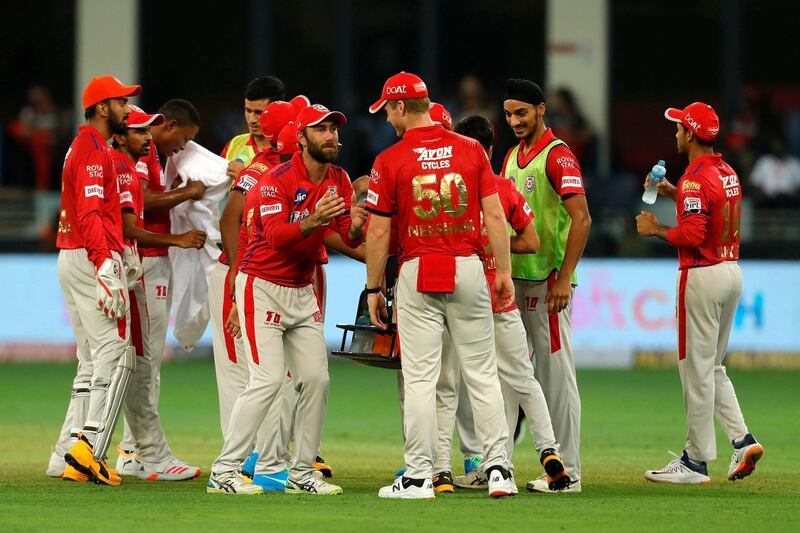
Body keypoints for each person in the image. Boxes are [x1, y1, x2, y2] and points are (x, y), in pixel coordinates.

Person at [365, 71, 516, 500]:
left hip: (419, 269)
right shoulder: (471, 150)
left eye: (388, 110)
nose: (388, 119)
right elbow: (495, 217)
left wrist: (374, 289)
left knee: (420, 379)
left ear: (399, 107)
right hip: (468, 267)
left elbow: (378, 233)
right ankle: (500, 470)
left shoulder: (390, 160)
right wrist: (502, 272)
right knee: (483, 374)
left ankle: (418, 477)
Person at [208, 103, 366, 496]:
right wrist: (313, 219)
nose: (331, 136)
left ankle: (301, 472)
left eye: (334, 129)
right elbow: (277, 237)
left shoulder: (340, 179)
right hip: (262, 286)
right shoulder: (274, 180)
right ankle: (224, 471)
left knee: (317, 379)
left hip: (300, 290)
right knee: (267, 380)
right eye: (321, 129)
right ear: (301, 138)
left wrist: (359, 220)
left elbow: (348, 237)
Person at [434, 115, 570, 494]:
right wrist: (496, 245)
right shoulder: (503, 188)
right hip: (502, 299)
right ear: (490, 150)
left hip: (459, 301)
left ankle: (453, 468)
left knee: (458, 387)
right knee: (521, 381)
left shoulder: (445, 192)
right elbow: (531, 242)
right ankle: (547, 450)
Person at [636, 101, 764, 484]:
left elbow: (692, 234)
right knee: (712, 366)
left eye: (678, 129)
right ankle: (742, 440)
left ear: (690, 134)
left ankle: (694, 461)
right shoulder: (726, 171)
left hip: (703, 275)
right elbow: (711, 211)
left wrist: (656, 228)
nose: (675, 134)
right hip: (731, 271)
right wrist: (674, 192)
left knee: (694, 368)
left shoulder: (695, 177)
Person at [501, 78, 591, 493]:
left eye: (522, 113)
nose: (515, 121)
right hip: (515, 279)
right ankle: (499, 463)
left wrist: (564, 278)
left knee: (555, 375)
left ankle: (568, 470)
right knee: (511, 375)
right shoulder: (512, 157)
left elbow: (582, 218)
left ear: (541, 110)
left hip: (545, 283)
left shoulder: (558, 156)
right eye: (508, 114)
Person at [50, 75, 140, 486]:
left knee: (90, 360)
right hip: (90, 255)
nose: (128, 109)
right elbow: (91, 211)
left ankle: (63, 453)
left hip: (73, 253)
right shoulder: (92, 149)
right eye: (122, 102)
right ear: (103, 108)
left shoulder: (86, 145)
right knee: (118, 352)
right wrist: (106, 262)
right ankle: (89, 450)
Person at [111, 106, 206, 481]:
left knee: (140, 360)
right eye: (181, 139)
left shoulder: (145, 150)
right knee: (144, 360)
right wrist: (187, 193)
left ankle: (131, 451)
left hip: (148, 258)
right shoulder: (143, 151)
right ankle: (148, 455)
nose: (180, 147)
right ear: (167, 126)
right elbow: (141, 201)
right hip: (145, 259)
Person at [220, 75, 286, 180]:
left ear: (277, 111)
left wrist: (245, 178)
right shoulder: (234, 144)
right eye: (248, 111)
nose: (252, 120)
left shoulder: (289, 153)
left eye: (259, 112)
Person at [748, 136, 800, 208]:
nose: (778, 147)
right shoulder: (764, 161)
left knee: (783, 199)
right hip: (766, 200)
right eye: (775, 145)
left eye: (780, 145)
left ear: (786, 146)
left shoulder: (795, 163)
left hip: (788, 201)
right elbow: (754, 182)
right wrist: (761, 194)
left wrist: (794, 195)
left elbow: (798, 186)